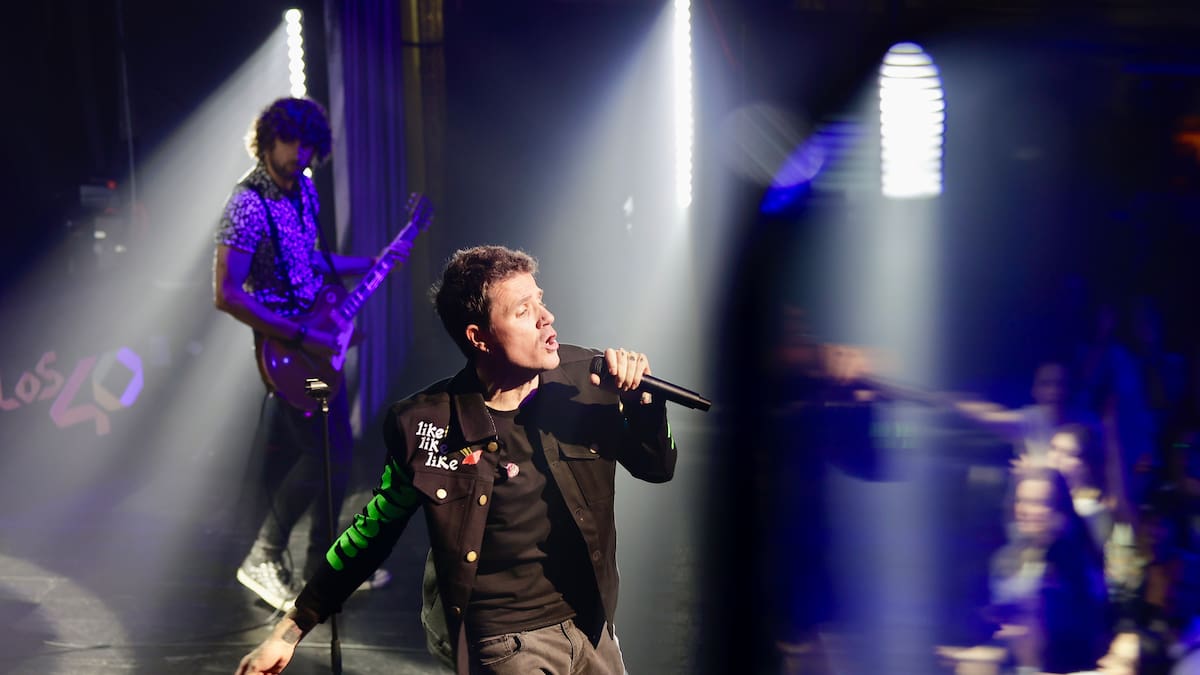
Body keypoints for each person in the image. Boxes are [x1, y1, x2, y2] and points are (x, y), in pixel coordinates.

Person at [234, 245, 678, 675]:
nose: (547, 318)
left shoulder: (589, 379)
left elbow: (658, 468)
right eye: (523, 311)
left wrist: (644, 405)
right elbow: (372, 532)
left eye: (540, 301)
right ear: (478, 337)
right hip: (506, 641)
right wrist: (289, 632)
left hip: (593, 626)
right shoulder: (426, 423)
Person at [214, 97, 394, 611]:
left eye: (310, 144)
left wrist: (369, 262)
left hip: (319, 343)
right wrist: (298, 336)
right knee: (323, 456)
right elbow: (227, 293)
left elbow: (306, 258)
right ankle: (264, 556)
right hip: (286, 353)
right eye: (291, 141)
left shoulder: (305, 190)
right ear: (268, 140)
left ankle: (324, 567)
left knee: (338, 455)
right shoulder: (248, 203)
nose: (301, 153)